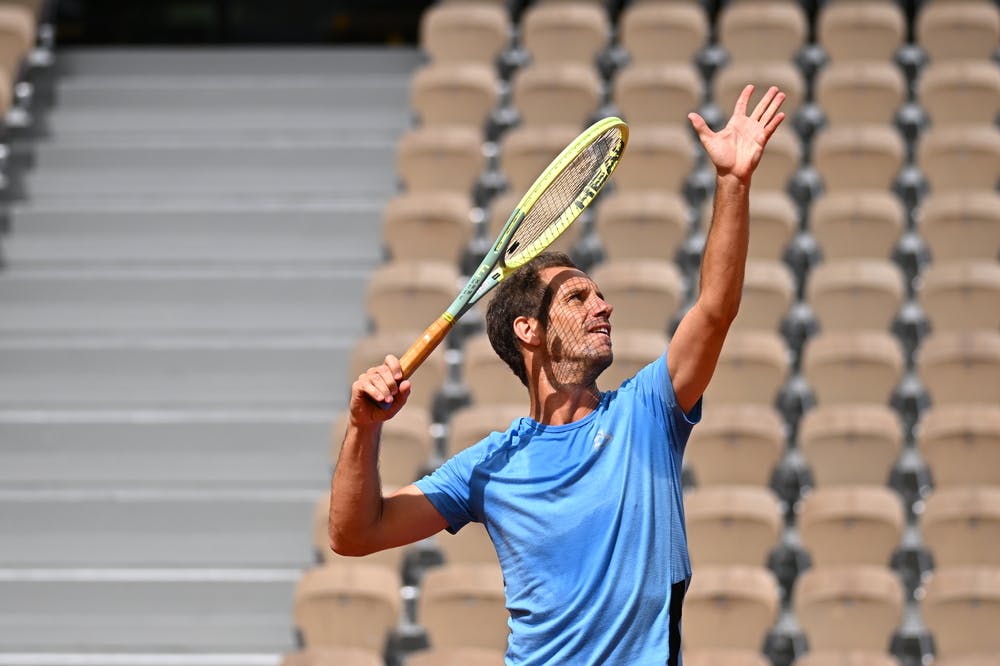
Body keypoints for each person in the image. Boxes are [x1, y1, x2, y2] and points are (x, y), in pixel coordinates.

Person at [330, 84, 787, 665]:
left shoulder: (648, 413)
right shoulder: (488, 465)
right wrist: (363, 427)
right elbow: (354, 535)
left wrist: (733, 182)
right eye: (578, 297)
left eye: (599, 295)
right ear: (529, 330)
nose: (604, 306)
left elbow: (716, 308)